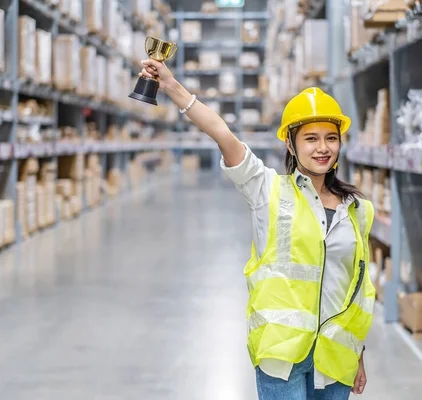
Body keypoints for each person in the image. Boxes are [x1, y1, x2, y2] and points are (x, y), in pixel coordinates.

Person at [139, 58, 375, 400]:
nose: (322, 148)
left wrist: (359, 352)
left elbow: (354, 290)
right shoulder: (267, 190)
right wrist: (173, 87)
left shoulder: (358, 210)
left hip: (335, 357)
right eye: (310, 139)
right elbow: (222, 133)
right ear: (291, 145)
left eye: (330, 138)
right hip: (282, 355)